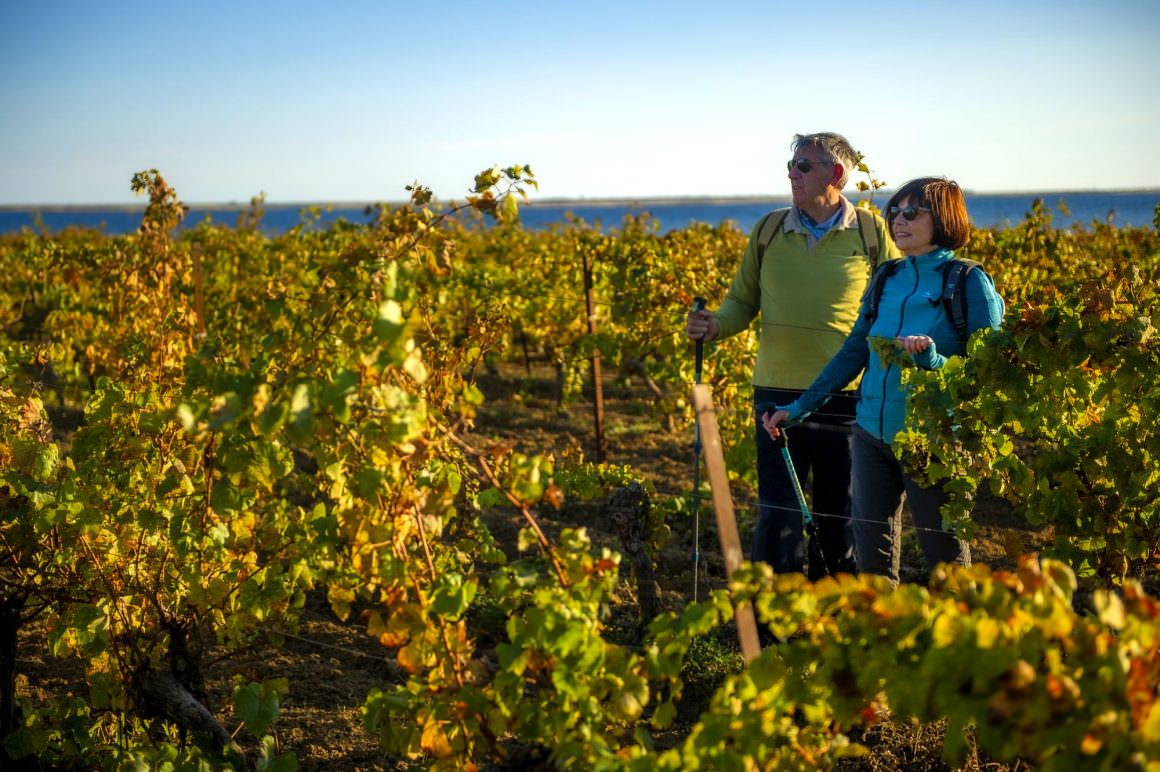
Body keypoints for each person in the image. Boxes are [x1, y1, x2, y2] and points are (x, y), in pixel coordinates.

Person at [762, 177, 1005, 585]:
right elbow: (853, 352)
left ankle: (961, 642)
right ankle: (883, 641)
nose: (898, 220)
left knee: (944, 558)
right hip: (871, 433)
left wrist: (933, 360)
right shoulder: (887, 277)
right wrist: (799, 408)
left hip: (934, 438)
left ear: (943, 218)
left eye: (912, 212)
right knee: (871, 558)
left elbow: (988, 371)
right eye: (894, 211)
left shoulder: (967, 282)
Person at [685, 132, 900, 579]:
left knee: (837, 513)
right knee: (777, 513)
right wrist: (713, 326)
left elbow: (894, 304)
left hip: (846, 396)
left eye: (803, 165)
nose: (791, 173)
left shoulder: (870, 231)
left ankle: (829, 612)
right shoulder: (768, 230)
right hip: (775, 394)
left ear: (836, 174)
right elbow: (741, 304)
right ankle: (774, 623)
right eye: (790, 164)